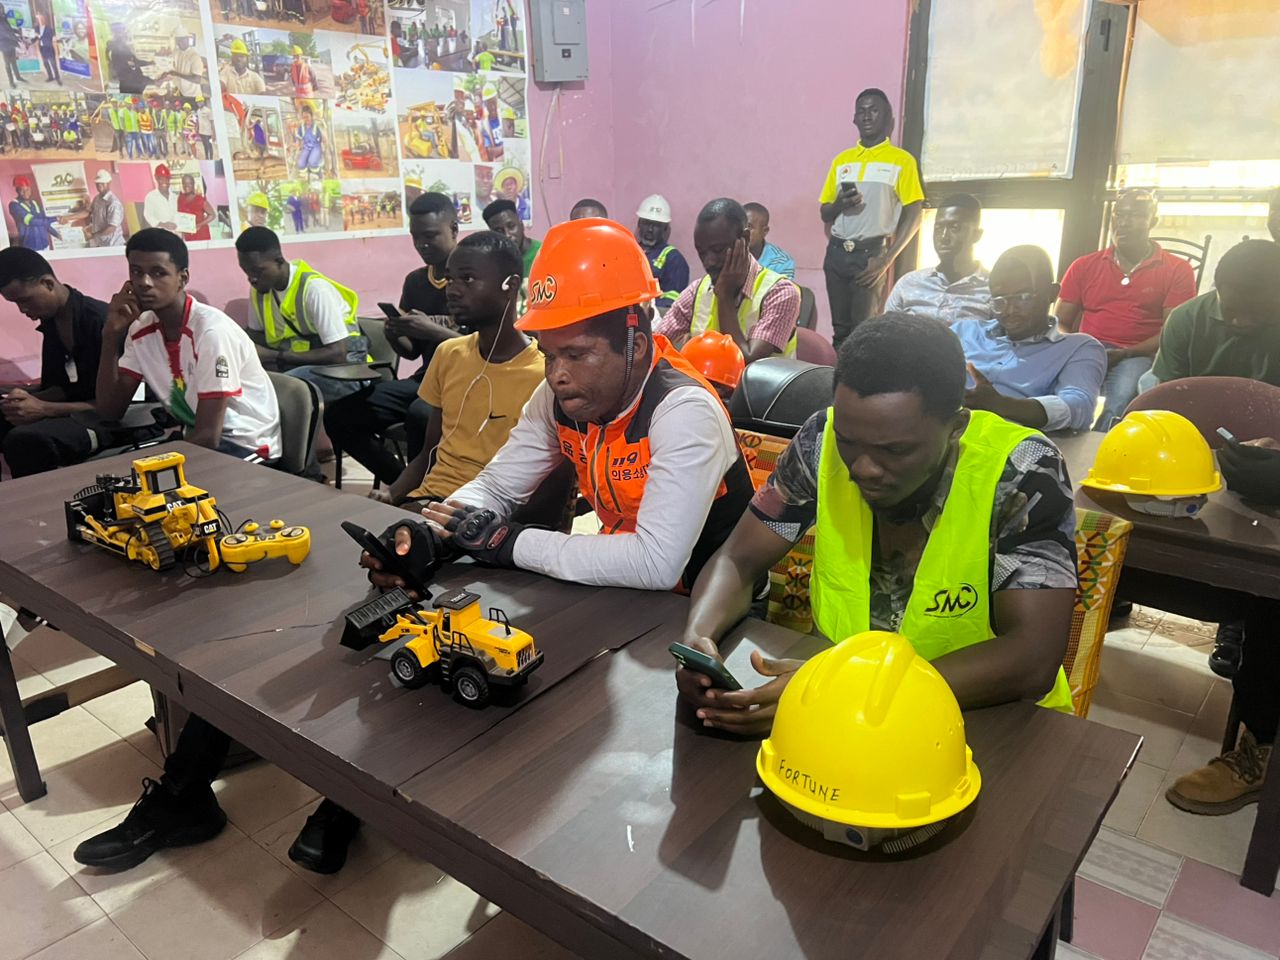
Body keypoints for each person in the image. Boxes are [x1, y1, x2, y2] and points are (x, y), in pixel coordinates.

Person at [675, 314, 1078, 735]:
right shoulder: (821, 439)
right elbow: (738, 560)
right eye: (849, 442)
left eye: (896, 450)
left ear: (955, 427)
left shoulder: (1023, 469)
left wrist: (843, 689)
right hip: (851, 725)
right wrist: (698, 638)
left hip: (992, 721)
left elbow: (1032, 657)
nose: (864, 468)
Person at [374, 218, 753, 594]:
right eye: (548, 355)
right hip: (619, 584)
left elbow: (655, 562)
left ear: (635, 347)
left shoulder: (684, 412)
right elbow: (498, 486)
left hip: (705, 601)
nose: (556, 375)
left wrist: (506, 541)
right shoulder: (560, 396)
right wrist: (432, 534)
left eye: (576, 355)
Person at [372, 231, 550, 517]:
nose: (452, 290)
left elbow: (541, 486)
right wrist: (391, 493)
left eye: (467, 279)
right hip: (428, 501)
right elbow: (429, 453)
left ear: (510, 285)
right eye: (450, 279)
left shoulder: (542, 374)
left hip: (485, 514)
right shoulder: (449, 353)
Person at [92, 229, 281, 465]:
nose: (144, 283)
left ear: (182, 279)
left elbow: (209, 437)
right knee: (119, 470)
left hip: (246, 446)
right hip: (195, 440)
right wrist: (110, 335)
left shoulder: (211, 332)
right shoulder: (141, 330)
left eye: (158, 273)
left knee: (152, 481)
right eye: (136, 272)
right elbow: (110, 411)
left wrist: (154, 467)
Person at [324, 192, 460, 485]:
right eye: (415, 237)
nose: (421, 244)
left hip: (466, 382)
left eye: (430, 236)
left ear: (453, 229)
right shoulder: (416, 281)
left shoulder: (471, 278)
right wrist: (394, 333)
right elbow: (411, 352)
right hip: (427, 379)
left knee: (420, 415)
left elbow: (483, 347)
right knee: (340, 416)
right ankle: (402, 485)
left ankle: (425, 490)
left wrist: (432, 330)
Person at [1056, 188, 1196, 430]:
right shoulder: (1084, 265)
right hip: (1087, 349)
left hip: (1137, 354)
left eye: (1136, 215)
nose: (1124, 222)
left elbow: (1172, 333)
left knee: (1120, 399)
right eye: (1119, 214)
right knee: (1069, 398)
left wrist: (1126, 353)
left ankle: (1101, 447)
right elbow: (1060, 321)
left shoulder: (1177, 269)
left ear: (1153, 221)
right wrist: (1075, 347)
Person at [950, 246, 1105, 433]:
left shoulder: (1079, 348)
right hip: (943, 434)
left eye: (1023, 297)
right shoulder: (964, 332)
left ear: (1052, 293)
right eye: (999, 300)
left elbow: (1078, 407)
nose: (1009, 310)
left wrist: (1002, 405)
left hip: (1014, 444)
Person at [819, 88, 924, 350]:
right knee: (840, 332)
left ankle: (861, 378)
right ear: (854, 118)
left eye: (874, 110)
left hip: (870, 256)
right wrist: (840, 204)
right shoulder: (842, 161)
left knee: (864, 334)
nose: (867, 116)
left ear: (888, 117)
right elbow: (824, 212)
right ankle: (838, 377)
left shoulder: (902, 161)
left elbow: (915, 213)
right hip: (836, 253)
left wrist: (886, 260)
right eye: (861, 111)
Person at [0, 248, 110, 477]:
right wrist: (20, 397)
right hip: (78, 409)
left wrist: (43, 408)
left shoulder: (103, 322)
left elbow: (127, 404)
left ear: (48, 283)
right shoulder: (52, 323)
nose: (23, 310)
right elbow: (62, 388)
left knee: (25, 441)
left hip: (119, 420)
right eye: (16, 304)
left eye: (25, 300)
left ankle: (40, 500)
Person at [658, 198, 800, 363]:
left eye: (718, 250)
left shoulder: (781, 293)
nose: (709, 262)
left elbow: (745, 360)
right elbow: (656, 345)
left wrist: (724, 296)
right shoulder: (697, 290)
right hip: (702, 381)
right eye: (701, 252)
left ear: (745, 238)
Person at [236, 225, 364, 404]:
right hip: (298, 366)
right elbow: (255, 337)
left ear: (279, 261)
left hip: (347, 372)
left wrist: (275, 356)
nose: (252, 278)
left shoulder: (314, 289)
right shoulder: (259, 291)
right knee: (243, 382)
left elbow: (337, 354)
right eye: (246, 271)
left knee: (281, 387)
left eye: (257, 271)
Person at [1147, 240, 1280, 389]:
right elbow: (1169, 392)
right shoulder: (1185, 320)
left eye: (1255, 311)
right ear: (1217, 290)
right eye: (1229, 310)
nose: (1239, 321)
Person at [884, 193, 991, 327]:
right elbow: (884, 332)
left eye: (954, 227)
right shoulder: (909, 283)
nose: (944, 237)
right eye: (938, 228)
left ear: (977, 235)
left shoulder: (992, 290)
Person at [634, 194, 690, 311]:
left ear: (665, 229)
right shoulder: (629, 251)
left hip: (655, 316)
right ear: (639, 224)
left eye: (656, 225)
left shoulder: (674, 259)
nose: (650, 229)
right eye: (647, 223)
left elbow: (672, 301)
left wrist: (646, 306)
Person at [482, 197, 539, 276]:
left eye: (511, 226)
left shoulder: (544, 253)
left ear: (521, 224)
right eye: (499, 231)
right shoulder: (494, 262)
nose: (507, 235)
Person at [743, 202, 795, 280]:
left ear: (765, 231)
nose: (743, 231)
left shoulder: (781, 261)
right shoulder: (727, 253)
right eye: (740, 225)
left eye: (749, 227)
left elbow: (783, 288)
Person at [10, 176, 61, 251]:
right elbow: (31, 221)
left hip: (44, 245)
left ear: (30, 189)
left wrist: (56, 234)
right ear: (17, 190)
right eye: (22, 190)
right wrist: (56, 218)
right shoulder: (14, 205)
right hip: (29, 247)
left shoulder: (34, 203)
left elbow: (43, 221)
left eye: (27, 189)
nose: (25, 192)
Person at [88, 169, 125, 247]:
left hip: (113, 244)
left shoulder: (113, 202)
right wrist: (68, 217)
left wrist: (94, 236)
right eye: (97, 183)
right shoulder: (97, 199)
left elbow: (112, 227)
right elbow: (88, 212)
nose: (99, 185)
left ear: (109, 183)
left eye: (102, 183)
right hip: (101, 243)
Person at [141, 163, 179, 232]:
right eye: (161, 179)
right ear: (156, 179)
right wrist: (163, 224)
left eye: (166, 179)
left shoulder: (175, 197)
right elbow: (148, 215)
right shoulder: (151, 197)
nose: (164, 182)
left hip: (176, 234)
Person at [177, 173, 214, 242]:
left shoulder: (200, 200)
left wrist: (199, 225)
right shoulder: (180, 198)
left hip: (201, 234)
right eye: (184, 183)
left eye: (189, 183)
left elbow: (212, 215)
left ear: (193, 184)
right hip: (188, 234)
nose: (187, 186)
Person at [168, 31, 205, 98]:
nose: (179, 42)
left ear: (188, 39)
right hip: (181, 91)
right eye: (178, 40)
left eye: (182, 39)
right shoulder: (177, 51)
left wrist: (177, 74)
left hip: (193, 95)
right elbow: (172, 61)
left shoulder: (194, 56)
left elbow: (197, 79)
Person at [294, 104, 324, 178]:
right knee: (300, 164)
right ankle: (307, 175)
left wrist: (323, 146)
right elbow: (298, 138)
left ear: (311, 116)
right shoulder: (301, 127)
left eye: (307, 117)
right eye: (304, 117)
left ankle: (318, 173)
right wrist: (297, 144)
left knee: (312, 162)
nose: (306, 119)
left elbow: (322, 138)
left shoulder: (316, 125)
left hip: (316, 147)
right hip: (306, 147)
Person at [0, 7, 22, 90]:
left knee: (14, 62)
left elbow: (9, 29)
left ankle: (18, 77)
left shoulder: (3, 18)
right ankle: (11, 82)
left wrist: (17, 31)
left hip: (11, 43)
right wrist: (18, 40)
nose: (2, 10)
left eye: (2, 8)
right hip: (5, 45)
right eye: (0, 8)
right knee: (7, 64)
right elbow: (6, 33)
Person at [36, 15, 60, 85]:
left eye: (41, 19)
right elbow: (35, 37)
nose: (39, 21)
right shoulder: (37, 28)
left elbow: (51, 37)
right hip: (42, 48)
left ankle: (57, 77)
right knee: (46, 64)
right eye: (38, 19)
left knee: (53, 64)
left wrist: (39, 36)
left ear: (43, 20)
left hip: (49, 48)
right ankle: (50, 77)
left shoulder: (49, 28)